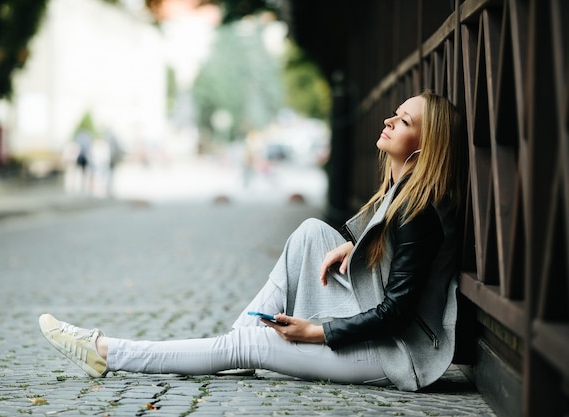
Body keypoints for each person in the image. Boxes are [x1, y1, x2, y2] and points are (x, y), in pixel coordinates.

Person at [39, 91, 466, 392]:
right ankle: (231, 349)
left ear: (426, 147)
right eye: (396, 113)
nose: (390, 120)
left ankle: (107, 352)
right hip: (379, 326)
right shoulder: (402, 196)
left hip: (398, 355)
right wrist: (354, 245)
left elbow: (397, 312)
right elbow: (388, 243)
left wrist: (316, 332)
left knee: (251, 344)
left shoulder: (417, 211)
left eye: (404, 121)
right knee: (311, 233)